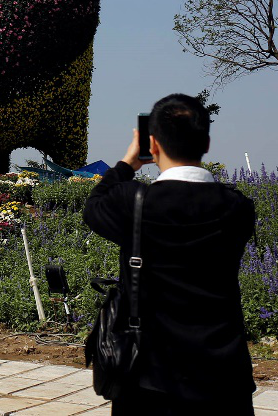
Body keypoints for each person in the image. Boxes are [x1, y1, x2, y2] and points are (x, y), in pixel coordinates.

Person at [82, 94, 257, 416]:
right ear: (206, 142)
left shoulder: (132, 202)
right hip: (223, 377)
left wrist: (127, 163)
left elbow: (93, 208)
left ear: (154, 144)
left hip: (148, 376)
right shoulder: (239, 208)